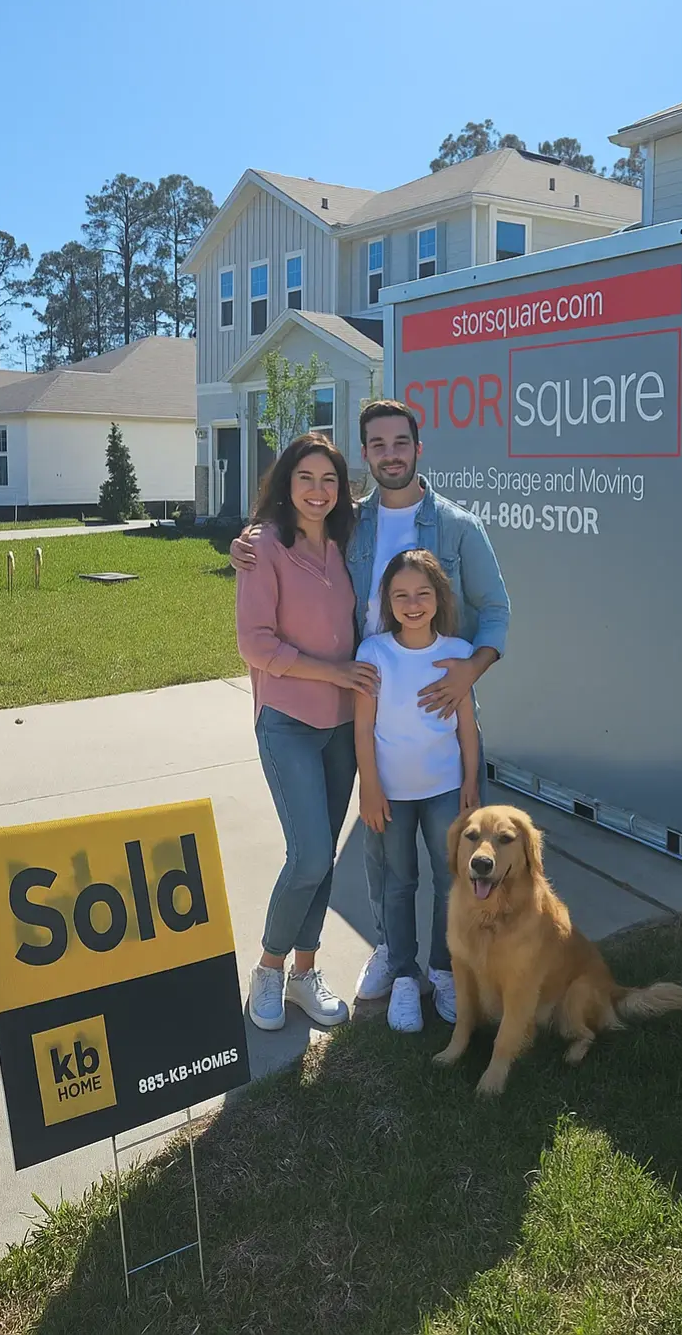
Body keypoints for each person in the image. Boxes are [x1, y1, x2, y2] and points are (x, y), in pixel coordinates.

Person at [230, 399, 510, 1014]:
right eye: (377, 445)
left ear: (418, 446)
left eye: (399, 442)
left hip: (441, 715)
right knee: (380, 847)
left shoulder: (458, 527)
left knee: (453, 853)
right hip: (368, 714)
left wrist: (472, 668)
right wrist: (244, 543)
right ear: (366, 454)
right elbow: (284, 542)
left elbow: (496, 611)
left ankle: (449, 966)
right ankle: (390, 951)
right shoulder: (348, 523)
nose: (390, 454)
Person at [235, 433, 380, 1033]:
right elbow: (255, 643)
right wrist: (334, 671)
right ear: (285, 484)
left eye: (329, 481)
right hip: (289, 723)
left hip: (342, 727)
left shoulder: (345, 544)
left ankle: (304, 971)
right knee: (311, 855)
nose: (318, 492)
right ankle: (268, 968)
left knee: (319, 861)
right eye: (306, 479)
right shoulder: (264, 547)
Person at [354, 549, 480, 1032]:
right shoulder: (373, 653)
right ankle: (404, 975)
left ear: (438, 597)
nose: (412, 603)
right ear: (387, 599)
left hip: (445, 790)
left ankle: (442, 970)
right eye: (401, 594)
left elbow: (468, 727)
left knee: (451, 880)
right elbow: (363, 729)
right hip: (391, 794)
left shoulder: (457, 654)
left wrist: (470, 781)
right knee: (399, 882)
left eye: (422, 593)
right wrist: (370, 786)